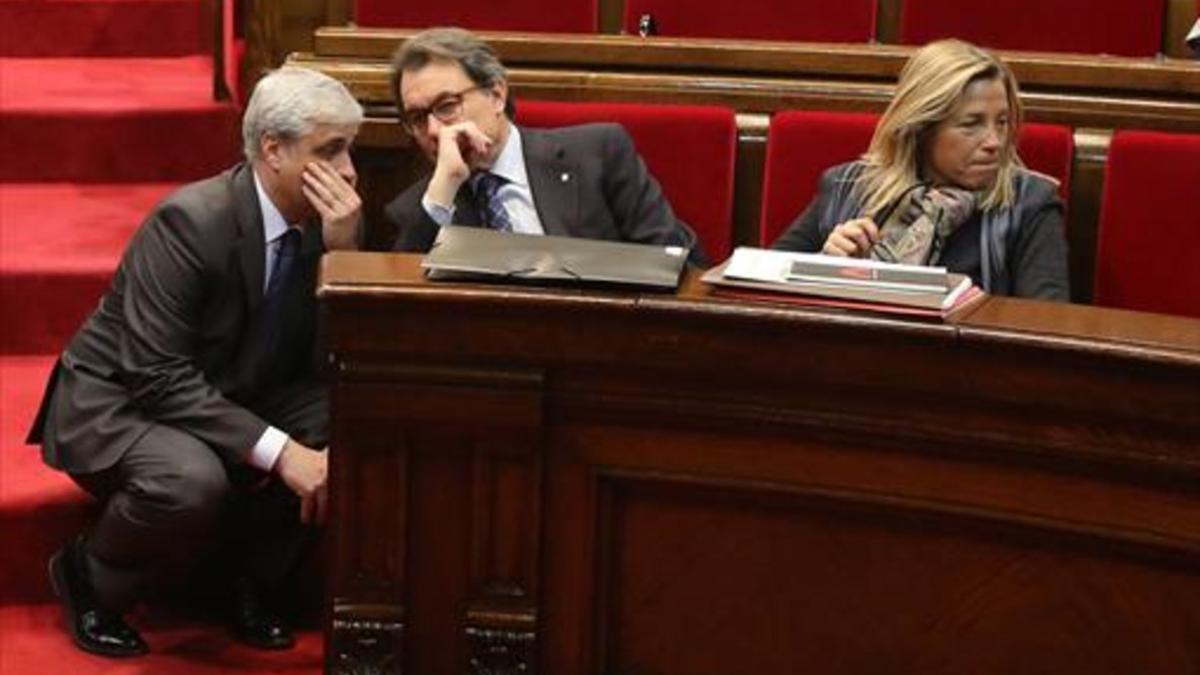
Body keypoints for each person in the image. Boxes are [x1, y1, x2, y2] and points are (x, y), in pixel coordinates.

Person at [25, 66, 364, 657]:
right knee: (189, 481)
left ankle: (244, 580)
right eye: (330, 151)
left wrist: (345, 258)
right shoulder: (190, 222)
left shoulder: (330, 222)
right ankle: (89, 577)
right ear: (274, 150)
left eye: (348, 150)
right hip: (121, 401)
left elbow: (329, 358)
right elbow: (155, 374)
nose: (349, 171)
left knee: (349, 421)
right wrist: (282, 452)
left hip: (232, 385)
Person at [771, 39, 1069, 300]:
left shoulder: (1029, 204)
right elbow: (762, 281)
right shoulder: (847, 187)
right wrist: (822, 264)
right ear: (921, 129)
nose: (994, 142)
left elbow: (1043, 322)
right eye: (971, 124)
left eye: (1002, 122)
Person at [384, 27, 706, 266]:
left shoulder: (598, 154)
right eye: (416, 118)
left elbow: (676, 264)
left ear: (496, 95)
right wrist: (445, 189)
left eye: (447, 106)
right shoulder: (417, 211)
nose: (434, 130)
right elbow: (399, 316)